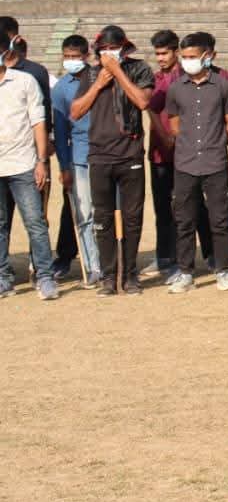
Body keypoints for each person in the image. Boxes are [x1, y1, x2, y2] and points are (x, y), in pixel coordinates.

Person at [70, 25, 155, 296]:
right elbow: (76, 111)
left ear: (124, 48)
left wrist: (118, 72)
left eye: (113, 48)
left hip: (130, 153)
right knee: (102, 218)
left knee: (133, 217)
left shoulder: (139, 69)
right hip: (100, 155)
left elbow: (142, 102)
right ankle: (109, 276)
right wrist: (98, 83)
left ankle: (130, 275)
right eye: (103, 50)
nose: (108, 54)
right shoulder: (91, 73)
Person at [163, 32, 228, 293]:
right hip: (185, 163)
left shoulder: (223, 85)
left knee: (220, 219)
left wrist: (216, 140)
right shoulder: (175, 88)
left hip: (215, 162)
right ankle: (185, 272)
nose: (187, 61)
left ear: (208, 56)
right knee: (184, 219)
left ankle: (224, 270)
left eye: (192, 57)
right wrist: (189, 141)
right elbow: (174, 124)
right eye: (184, 57)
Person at [0, 46, 56, 300]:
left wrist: (41, 161)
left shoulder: (24, 81)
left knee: (35, 222)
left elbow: (38, 122)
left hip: (23, 163)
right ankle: (3, 278)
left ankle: (45, 276)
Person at [51, 35, 100, 285]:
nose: (71, 61)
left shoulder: (100, 78)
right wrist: (64, 166)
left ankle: (112, 263)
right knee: (83, 215)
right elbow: (60, 135)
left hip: (105, 155)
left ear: (86, 57)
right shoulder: (60, 88)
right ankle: (93, 267)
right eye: (67, 57)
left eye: (76, 57)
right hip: (79, 159)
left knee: (107, 213)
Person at [145, 29, 181, 277]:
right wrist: (164, 136)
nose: (160, 58)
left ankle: (186, 257)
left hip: (184, 152)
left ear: (176, 51)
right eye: (157, 54)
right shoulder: (154, 79)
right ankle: (164, 256)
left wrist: (175, 138)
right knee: (162, 208)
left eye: (164, 53)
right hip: (159, 152)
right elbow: (150, 108)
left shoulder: (185, 77)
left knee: (186, 207)